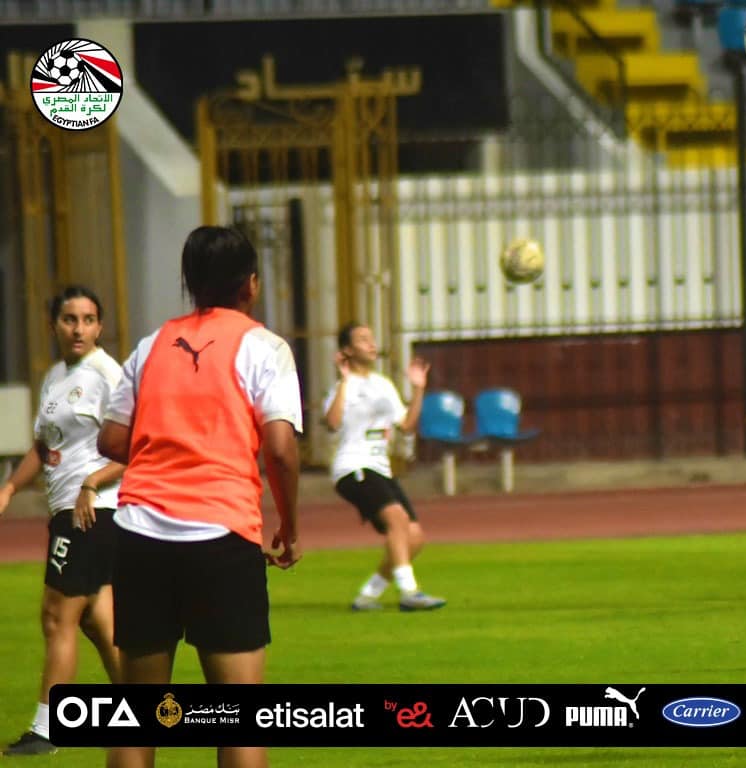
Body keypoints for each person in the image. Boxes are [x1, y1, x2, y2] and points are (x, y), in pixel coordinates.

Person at [97, 226, 302, 768]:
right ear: (251, 284)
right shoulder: (265, 348)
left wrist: (170, 432)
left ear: (189, 281)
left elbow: (111, 440)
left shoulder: (151, 346)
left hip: (139, 533)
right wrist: (289, 524)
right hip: (221, 534)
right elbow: (281, 449)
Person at [0, 285, 123, 757]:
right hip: (67, 511)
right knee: (98, 621)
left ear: (100, 326)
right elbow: (42, 446)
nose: (79, 328)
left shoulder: (108, 374)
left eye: (88, 319)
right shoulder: (56, 376)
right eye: (70, 319)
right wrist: (11, 487)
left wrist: (92, 483)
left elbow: (138, 445)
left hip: (91, 511)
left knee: (57, 616)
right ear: (53, 324)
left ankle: (47, 729)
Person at [324, 322, 445, 612]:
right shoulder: (343, 387)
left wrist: (418, 390)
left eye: (371, 337)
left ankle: (367, 595)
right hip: (353, 467)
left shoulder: (383, 385)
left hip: (380, 469)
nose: (371, 343)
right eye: (362, 339)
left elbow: (406, 426)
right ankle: (409, 592)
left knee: (415, 538)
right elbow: (332, 423)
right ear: (347, 350)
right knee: (396, 518)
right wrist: (343, 381)